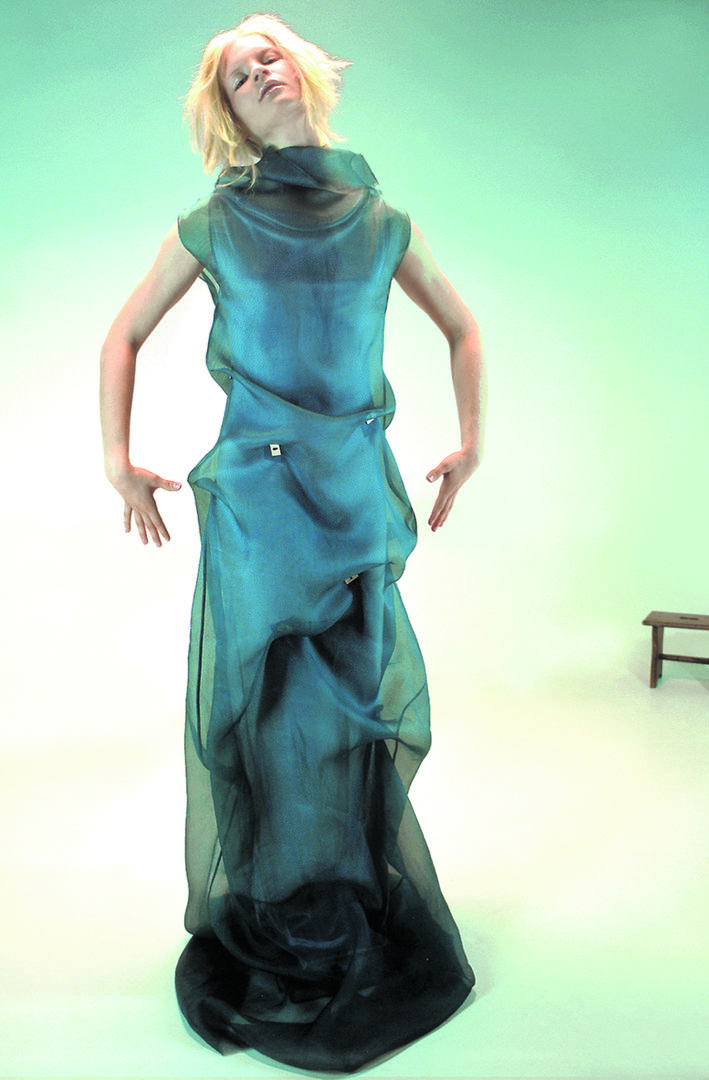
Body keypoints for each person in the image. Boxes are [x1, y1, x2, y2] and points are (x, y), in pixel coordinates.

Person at [100, 13, 485, 1073]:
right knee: (268, 710)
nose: (258, 69)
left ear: (306, 71)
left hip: (354, 498)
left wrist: (471, 441)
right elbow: (123, 334)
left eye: (269, 51)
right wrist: (115, 459)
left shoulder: (381, 223)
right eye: (236, 73)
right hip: (262, 507)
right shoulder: (214, 226)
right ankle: (278, 908)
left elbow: (461, 327)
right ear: (227, 111)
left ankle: (343, 895)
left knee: (354, 700)